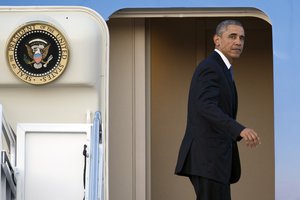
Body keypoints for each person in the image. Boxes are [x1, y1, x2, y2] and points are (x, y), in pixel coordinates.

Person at [175, 19, 261, 200]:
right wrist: (240, 129)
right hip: (208, 159)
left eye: (242, 38)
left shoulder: (222, 68)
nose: (238, 42)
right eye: (232, 36)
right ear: (217, 40)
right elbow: (205, 106)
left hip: (213, 162)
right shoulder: (211, 67)